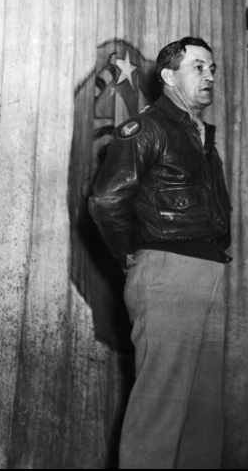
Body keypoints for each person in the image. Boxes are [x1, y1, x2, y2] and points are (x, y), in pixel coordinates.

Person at [88, 36, 232, 469]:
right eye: (198, 67)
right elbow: (106, 200)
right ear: (169, 76)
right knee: (161, 412)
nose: (209, 76)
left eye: (212, 68)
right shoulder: (148, 126)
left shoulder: (201, 136)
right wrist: (132, 257)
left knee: (203, 416)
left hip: (208, 271)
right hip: (167, 271)